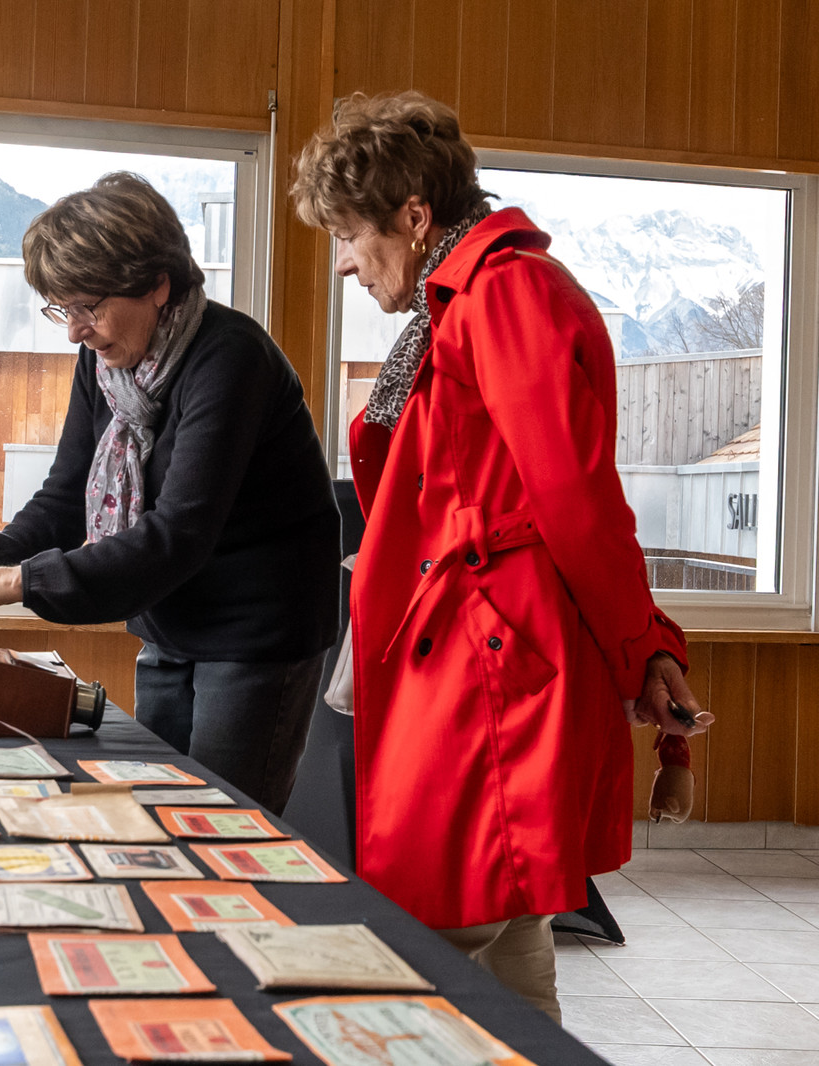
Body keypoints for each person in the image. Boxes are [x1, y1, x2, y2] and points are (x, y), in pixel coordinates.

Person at [290, 91, 712, 1021]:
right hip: (481, 651)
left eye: (352, 235)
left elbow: (574, 497)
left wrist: (643, 641)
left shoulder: (504, 292)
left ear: (413, 214)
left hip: (493, 662)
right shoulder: (464, 297)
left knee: (423, 935)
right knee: (509, 913)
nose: (347, 262)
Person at [0, 172, 340, 812]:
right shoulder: (104, 362)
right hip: (167, 622)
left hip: (256, 636)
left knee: (220, 828)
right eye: (62, 308)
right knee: (156, 813)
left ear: (158, 284)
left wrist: (19, 583)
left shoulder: (231, 359)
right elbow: (62, 497)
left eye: (89, 307)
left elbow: (176, 537)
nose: (75, 331)